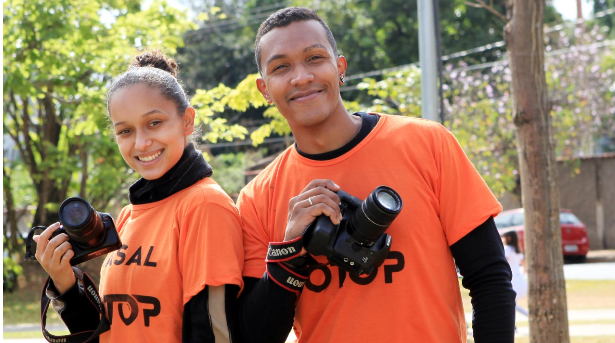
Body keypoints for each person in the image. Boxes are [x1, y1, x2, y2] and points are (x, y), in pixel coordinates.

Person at [236, 7, 517, 342]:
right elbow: (253, 336)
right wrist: (290, 248)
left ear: (340, 68)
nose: (301, 77)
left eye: (314, 58)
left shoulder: (427, 144)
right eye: (281, 67)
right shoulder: (257, 198)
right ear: (264, 89)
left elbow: (490, 277)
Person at [33, 50, 244, 342]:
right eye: (126, 131)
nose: (141, 143)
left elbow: (214, 333)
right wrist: (65, 282)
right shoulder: (129, 215)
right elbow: (105, 333)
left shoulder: (205, 206)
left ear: (187, 121)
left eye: (154, 123)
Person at [502, 231, 529, 316]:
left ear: (508, 238)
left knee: (510, 304)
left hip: (511, 279)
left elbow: (504, 263)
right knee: (512, 304)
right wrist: (522, 275)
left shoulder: (507, 249)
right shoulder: (518, 250)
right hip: (519, 279)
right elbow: (525, 265)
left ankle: (528, 315)